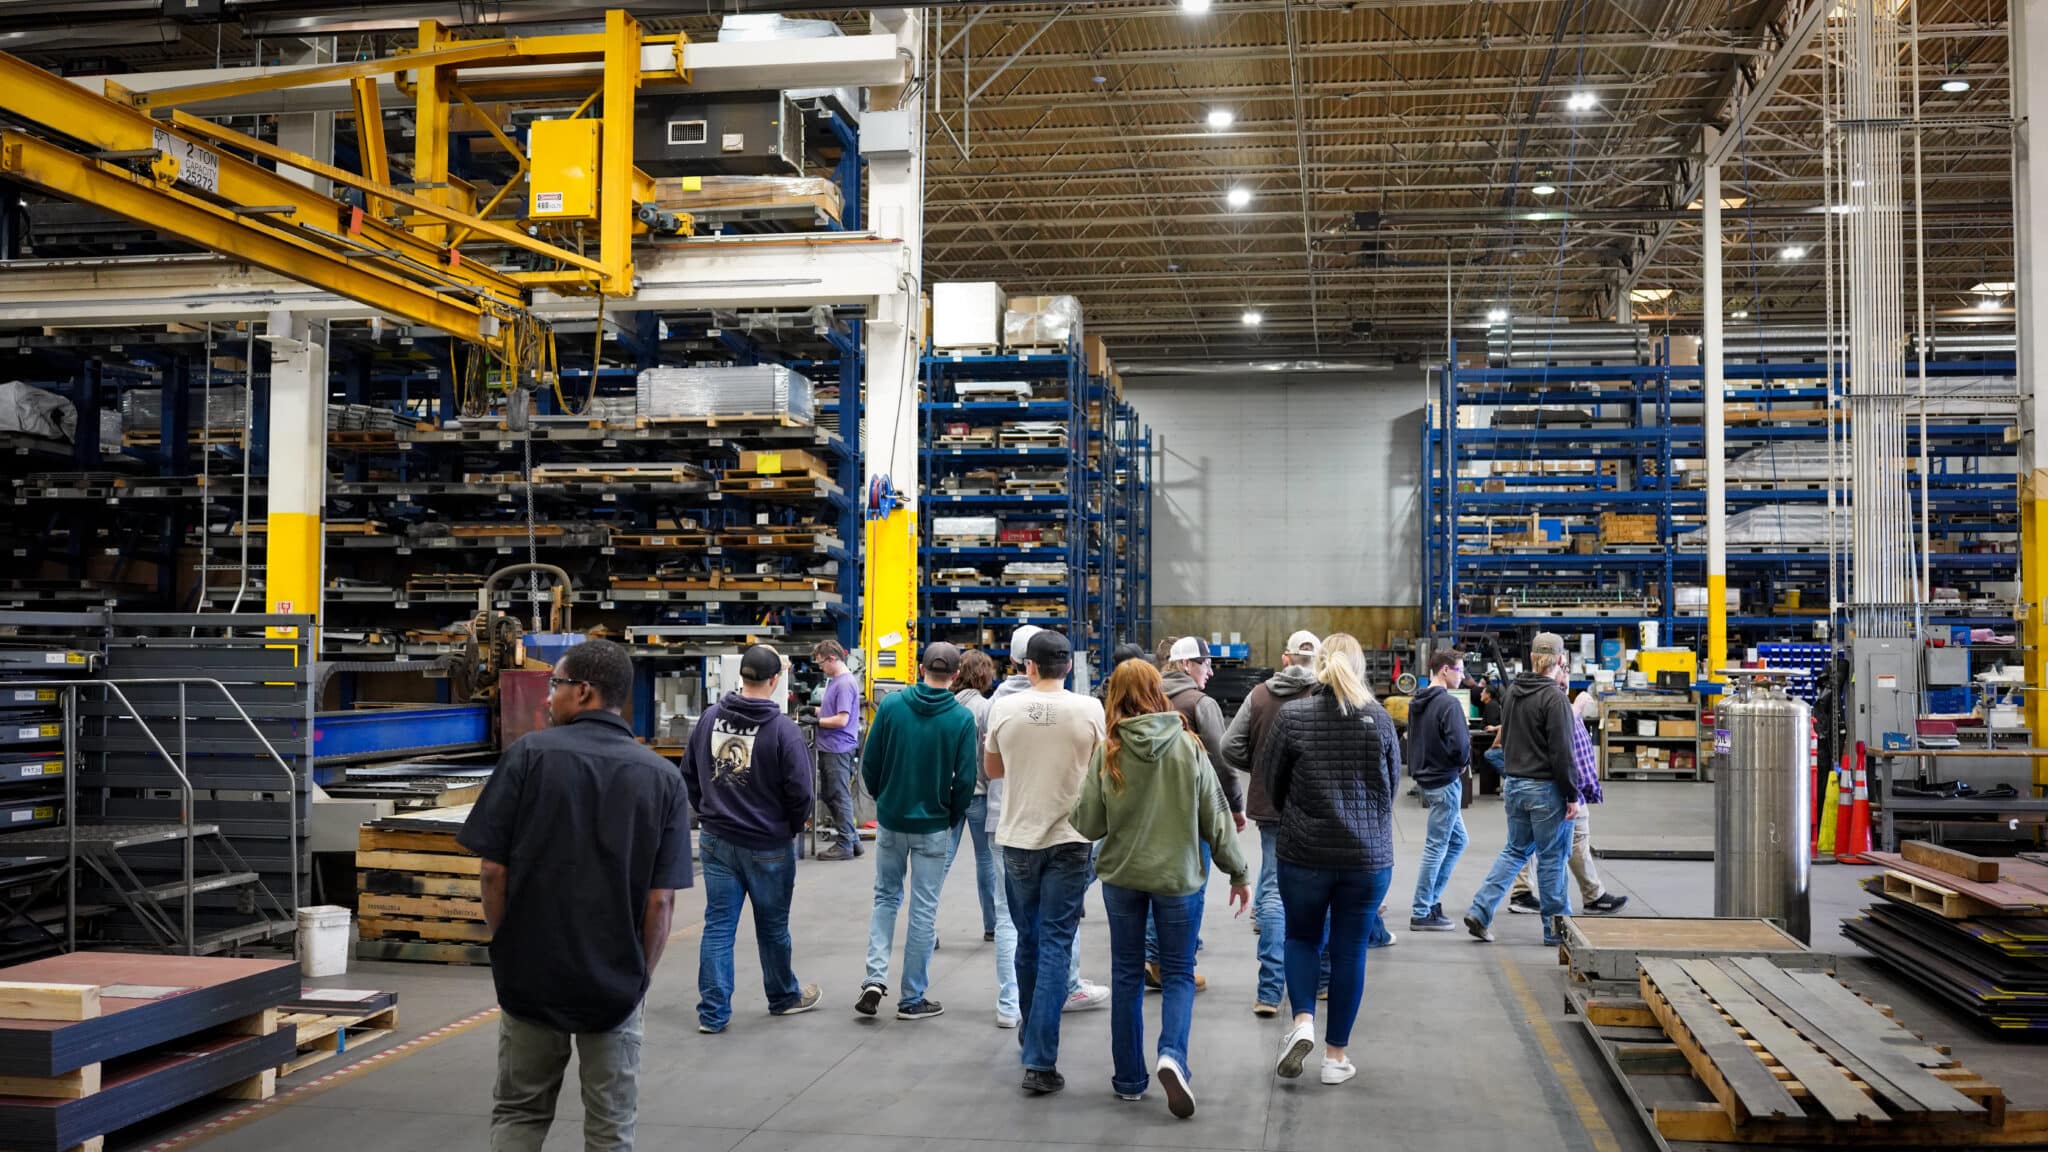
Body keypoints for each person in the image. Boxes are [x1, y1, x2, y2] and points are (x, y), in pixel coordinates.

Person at [458, 639, 691, 1152]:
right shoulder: (662, 779)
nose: (547, 698)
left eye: (554, 685)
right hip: (614, 983)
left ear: (583, 692)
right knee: (610, 1128)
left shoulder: (529, 756)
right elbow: (661, 903)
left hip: (532, 977)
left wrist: (508, 946)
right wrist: (639, 978)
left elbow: (493, 872)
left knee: (520, 1113)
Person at [1072, 659, 1251, 1118]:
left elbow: (1088, 823)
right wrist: (1238, 872)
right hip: (1178, 880)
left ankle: (1129, 1080)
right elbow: (1214, 816)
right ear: (1159, 691)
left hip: (1123, 880)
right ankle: (1172, 1055)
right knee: (1176, 973)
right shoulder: (1188, 746)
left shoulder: (1108, 749)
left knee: (1127, 976)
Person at [1257, 633, 1402, 1087]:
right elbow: (1391, 786)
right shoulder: (1378, 719)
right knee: (1350, 951)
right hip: (1367, 859)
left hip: (1304, 853)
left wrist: (1298, 812)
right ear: (1359, 667)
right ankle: (1336, 1057)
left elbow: (1271, 781)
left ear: (1318, 664)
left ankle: (1302, 1022)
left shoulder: (1293, 715)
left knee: (1301, 938)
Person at [987, 628, 1108, 1096]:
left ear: (1028, 667)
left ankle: (1031, 1035)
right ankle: (1040, 1058)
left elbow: (993, 770)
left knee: (1027, 938)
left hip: (1018, 838)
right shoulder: (1090, 709)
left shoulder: (1004, 707)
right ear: (1070, 667)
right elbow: (1101, 768)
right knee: (1058, 940)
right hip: (1073, 838)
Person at [683, 645, 822, 1033]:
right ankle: (782, 997)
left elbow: (689, 773)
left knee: (718, 926)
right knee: (773, 927)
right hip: (767, 845)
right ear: (776, 680)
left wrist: (710, 809)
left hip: (716, 840)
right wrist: (788, 827)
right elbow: (801, 793)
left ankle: (712, 1014)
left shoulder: (710, 717)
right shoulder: (782, 730)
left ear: (741, 678)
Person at [855, 643, 978, 1021]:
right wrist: (949, 816)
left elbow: (869, 763)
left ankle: (874, 979)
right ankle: (911, 998)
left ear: (919, 667)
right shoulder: (961, 718)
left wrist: (886, 799)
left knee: (885, 898)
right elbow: (967, 782)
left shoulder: (891, 706)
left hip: (892, 821)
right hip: (933, 826)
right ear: (956, 676)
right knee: (924, 909)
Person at [1221, 628, 1321, 1016]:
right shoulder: (1325, 693)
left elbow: (1229, 745)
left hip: (1271, 805)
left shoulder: (1259, 694)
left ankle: (1268, 991)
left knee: (1273, 890)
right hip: (1318, 808)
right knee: (1322, 891)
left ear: (1286, 658)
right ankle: (1322, 982)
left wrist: (1261, 769)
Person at [1463, 633, 1582, 948]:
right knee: (1552, 857)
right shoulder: (1554, 698)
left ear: (1531, 658)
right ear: (1559, 660)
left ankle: (1480, 909)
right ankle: (1555, 929)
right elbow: (1562, 752)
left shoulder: (1513, 691)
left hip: (1515, 783)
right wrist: (1572, 794)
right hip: (1545, 789)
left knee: (1516, 850)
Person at [1146, 635, 1245, 990]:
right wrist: (1234, 806)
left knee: (1155, 883)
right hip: (1190, 810)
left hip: (1146, 810)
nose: (1211, 671)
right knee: (1192, 887)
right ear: (1187, 665)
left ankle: (1153, 957)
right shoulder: (1200, 703)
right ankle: (1177, 967)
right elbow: (1222, 760)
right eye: (1206, 663)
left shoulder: (1147, 695)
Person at [1508, 676, 1628, 916]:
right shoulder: (1555, 702)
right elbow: (1559, 745)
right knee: (1570, 842)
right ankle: (1589, 898)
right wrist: (1574, 793)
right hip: (1555, 787)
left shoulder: (1522, 695)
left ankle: (1520, 893)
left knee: (1525, 843)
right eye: (1562, 666)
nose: (1566, 674)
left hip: (1535, 783)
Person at [1406, 647, 1472, 932]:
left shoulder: (1417, 701)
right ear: (1445, 670)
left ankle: (1430, 899)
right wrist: (1461, 763)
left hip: (1428, 780)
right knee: (1436, 847)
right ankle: (1422, 909)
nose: (1463, 675)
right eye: (1459, 670)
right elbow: (1461, 747)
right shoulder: (1449, 704)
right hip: (1445, 783)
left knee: (1458, 841)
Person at [951, 650, 1001, 947]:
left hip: (949, 793)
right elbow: (987, 756)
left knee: (940, 861)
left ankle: (926, 925)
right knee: (986, 860)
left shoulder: (948, 705)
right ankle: (992, 925)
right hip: (979, 794)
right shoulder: (985, 708)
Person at [811, 640, 864, 862]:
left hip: (837, 747)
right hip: (831, 746)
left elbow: (841, 720)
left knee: (837, 795)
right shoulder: (835, 681)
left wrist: (819, 722)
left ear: (832, 659)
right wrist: (814, 711)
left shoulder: (843, 683)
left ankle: (845, 843)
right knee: (834, 795)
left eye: (822, 663)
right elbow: (832, 709)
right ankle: (853, 842)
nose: (821, 667)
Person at [1476, 681, 1506, 795]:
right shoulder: (1491, 705)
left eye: (1483, 692)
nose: (1480, 694)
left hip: (1502, 744)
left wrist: (1494, 745)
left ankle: (1510, 779)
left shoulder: (1491, 706)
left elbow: (1500, 726)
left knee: (1489, 754)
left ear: (1488, 695)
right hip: (1502, 743)